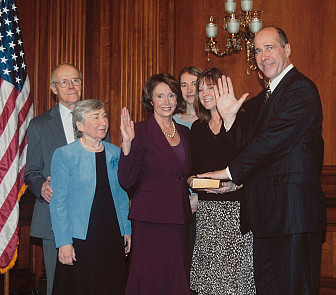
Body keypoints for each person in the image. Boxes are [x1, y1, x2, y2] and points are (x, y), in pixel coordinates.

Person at [198, 27, 326, 295]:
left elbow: (271, 144)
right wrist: (231, 118)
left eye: (270, 47)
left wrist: (229, 172)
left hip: (293, 219)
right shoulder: (265, 98)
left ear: (287, 50)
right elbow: (253, 146)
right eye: (257, 50)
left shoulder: (300, 89)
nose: (263, 55)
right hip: (265, 219)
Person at [118, 73, 192, 294]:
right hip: (150, 219)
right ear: (150, 100)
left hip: (179, 217)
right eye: (160, 96)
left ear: (178, 99)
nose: (166, 102)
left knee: (176, 278)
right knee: (150, 280)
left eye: (171, 95)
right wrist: (127, 144)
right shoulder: (139, 131)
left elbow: (188, 173)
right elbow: (126, 180)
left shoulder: (185, 132)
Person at [49, 99, 131, 295]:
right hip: (80, 239)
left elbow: (121, 195)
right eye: (96, 117)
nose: (103, 121)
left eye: (104, 115)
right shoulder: (65, 155)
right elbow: (58, 203)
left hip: (110, 236)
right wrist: (63, 242)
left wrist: (126, 230)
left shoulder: (114, 152)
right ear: (80, 125)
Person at [187, 68, 255, 295]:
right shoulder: (197, 128)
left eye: (210, 87)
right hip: (207, 213)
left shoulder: (242, 120)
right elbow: (190, 171)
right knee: (209, 282)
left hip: (236, 212)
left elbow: (254, 164)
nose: (204, 93)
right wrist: (194, 182)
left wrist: (236, 184)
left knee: (236, 282)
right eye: (200, 89)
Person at [24, 63, 89, 295]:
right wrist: (41, 186)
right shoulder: (40, 125)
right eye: (64, 82)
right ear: (53, 88)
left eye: (76, 80)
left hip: (90, 218)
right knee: (58, 285)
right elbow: (30, 171)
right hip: (53, 218)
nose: (71, 86)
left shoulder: (96, 121)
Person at [174, 65, 202, 261]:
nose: (189, 90)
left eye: (194, 84)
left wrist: (199, 196)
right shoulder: (171, 121)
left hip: (206, 199)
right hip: (177, 201)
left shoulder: (212, 118)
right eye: (184, 85)